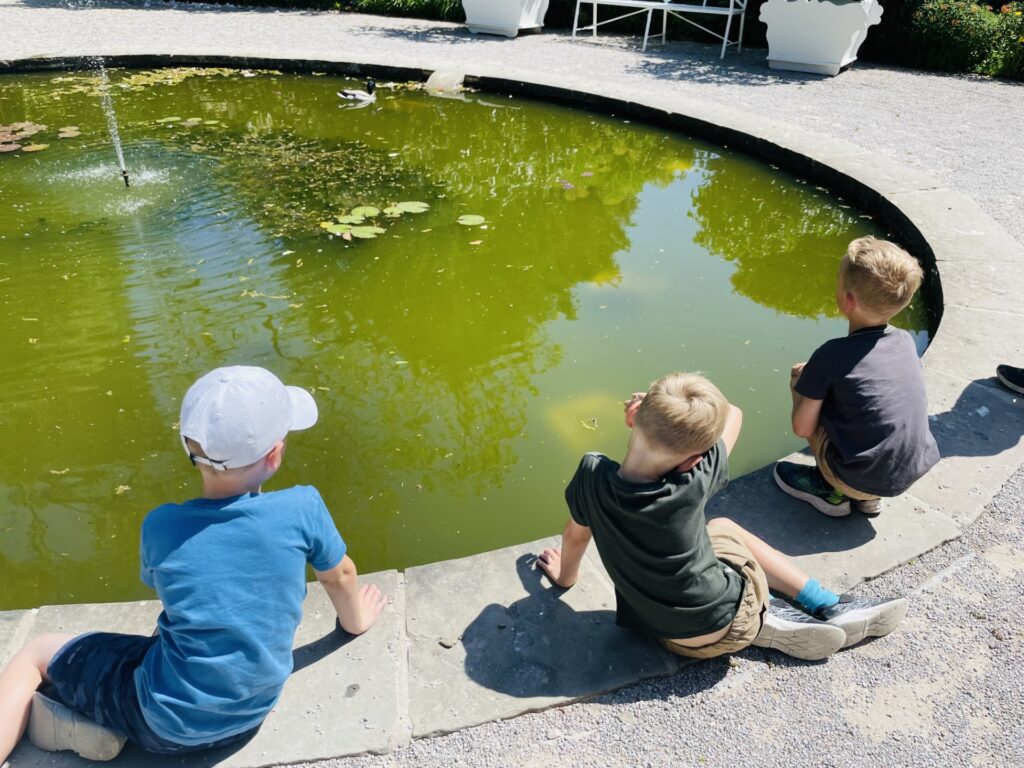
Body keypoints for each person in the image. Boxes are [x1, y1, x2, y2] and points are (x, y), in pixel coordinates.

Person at [0, 366, 387, 763]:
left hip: (160, 727)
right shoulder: (303, 508)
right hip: (250, 714)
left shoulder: (163, 526)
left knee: (38, 653)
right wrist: (356, 622)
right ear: (275, 454)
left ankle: (88, 723)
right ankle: (84, 725)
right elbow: (340, 574)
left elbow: (163, 584)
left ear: (189, 446)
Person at [538, 372, 907, 662]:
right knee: (723, 528)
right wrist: (690, 409)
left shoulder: (591, 474)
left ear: (633, 416)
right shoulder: (694, 480)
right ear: (696, 459)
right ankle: (820, 605)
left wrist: (564, 577)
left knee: (700, 548)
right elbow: (733, 413)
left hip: (663, 635)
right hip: (729, 618)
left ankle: (768, 621)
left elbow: (574, 537)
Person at [776, 237, 939, 518]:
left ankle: (832, 490)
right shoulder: (904, 341)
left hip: (858, 478)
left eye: (839, 280)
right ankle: (869, 498)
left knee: (801, 380)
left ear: (847, 300)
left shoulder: (831, 354)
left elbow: (802, 428)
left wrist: (804, 383)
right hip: (909, 472)